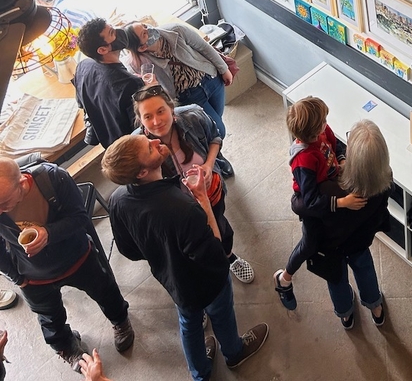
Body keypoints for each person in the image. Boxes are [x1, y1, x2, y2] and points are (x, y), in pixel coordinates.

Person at [102, 134, 268, 381]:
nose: (156, 142)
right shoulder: (183, 207)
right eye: (150, 148)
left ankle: (200, 372)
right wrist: (202, 198)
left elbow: (128, 249)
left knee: (189, 323)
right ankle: (234, 352)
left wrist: (162, 253)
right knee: (221, 313)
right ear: (142, 172)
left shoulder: (117, 200)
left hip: (174, 281)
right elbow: (216, 251)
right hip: (208, 280)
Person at [0, 157, 134, 370]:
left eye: (3, 203)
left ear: (22, 183)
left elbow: (80, 217)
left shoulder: (53, 178)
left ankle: (120, 321)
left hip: (78, 257)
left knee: (105, 291)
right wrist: (18, 279)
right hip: (33, 277)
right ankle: (67, 348)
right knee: (49, 319)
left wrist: (49, 233)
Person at [132, 84, 254, 284]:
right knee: (192, 244)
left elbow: (215, 138)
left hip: (211, 193)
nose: (156, 121)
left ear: (171, 108)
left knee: (220, 226)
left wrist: (208, 165)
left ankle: (229, 257)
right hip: (179, 210)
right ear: (141, 120)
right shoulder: (138, 146)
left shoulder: (193, 116)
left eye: (161, 111)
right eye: (148, 116)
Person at [273, 97, 365, 310]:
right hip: (313, 202)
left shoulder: (322, 131)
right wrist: (342, 202)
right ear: (312, 132)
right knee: (310, 244)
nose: (326, 123)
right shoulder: (304, 159)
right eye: (323, 121)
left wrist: (341, 159)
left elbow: (336, 144)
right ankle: (284, 279)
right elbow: (311, 201)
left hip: (329, 185)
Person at [306, 120, 392, 329]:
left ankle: (345, 314)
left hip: (332, 246)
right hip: (360, 241)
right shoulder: (386, 178)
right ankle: (375, 307)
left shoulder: (330, 189)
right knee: (365, 269)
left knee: (336, 279)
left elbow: (303, 205)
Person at [123, 21, 235, 148]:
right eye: (144, 33)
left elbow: (203, 47)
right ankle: (213, 153)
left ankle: (212, 150)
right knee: (219, 131)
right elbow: (145, 91)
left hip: (210, 79)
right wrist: (152, 85)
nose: (149, 29)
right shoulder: (136, 64)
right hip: (189, 96)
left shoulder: (176, 30)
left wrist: (224, 69)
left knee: (216, 119)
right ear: (142, 48)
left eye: (145, 26)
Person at [73, 20, 143, 147]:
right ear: (102, 50)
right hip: (131, 146)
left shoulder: (83, 66)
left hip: (110, 143)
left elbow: (81, 103)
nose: (118, 31)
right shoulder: (131, 84)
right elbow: (142, 127)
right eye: (112, 32)